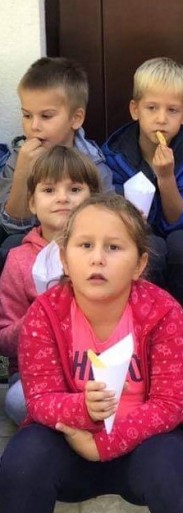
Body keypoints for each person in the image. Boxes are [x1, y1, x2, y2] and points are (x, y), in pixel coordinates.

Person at [0, 193, 183, 513]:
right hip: (69, 444)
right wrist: (82, 410)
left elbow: (170, 404)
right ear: (65, 259)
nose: (97, 258)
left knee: (167, 464)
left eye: (114, 247)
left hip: (143, 448)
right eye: (85, 245)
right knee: (23, 458)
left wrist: (104, 444)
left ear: (140, 264)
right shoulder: (46, 312)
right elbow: (39, 399)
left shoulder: (162, 311)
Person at [0, 146, 102, 425]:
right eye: (49, 190)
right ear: (32, 203)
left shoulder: (103, 254)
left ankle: (76, 421)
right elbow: (5, 341)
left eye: (75, 189)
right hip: (37, 373)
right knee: (17, 400)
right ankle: (77, 423)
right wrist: (41, 314)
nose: (62, 198)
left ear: (93, 198)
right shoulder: (19, 261)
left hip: (96, 367)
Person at [102, 57, 183, 318]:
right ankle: (145, 321)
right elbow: (109, 207)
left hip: (180, 233)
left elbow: (182, 219)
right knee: (151, 248)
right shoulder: (116, 154)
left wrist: (166, 177)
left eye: (172, 110)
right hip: (136, 234)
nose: (161, 119)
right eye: (151, 108)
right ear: (135, 109)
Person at [0, 57, 113, 249]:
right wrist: (23, 172)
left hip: (83, 248)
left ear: (76, 118)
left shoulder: (92, 161)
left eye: (46, 116)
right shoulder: (19, 157)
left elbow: (109, 219)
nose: (34, 126)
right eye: (27, 115)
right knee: (11, 244)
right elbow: (12, 227)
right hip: (32, 247)